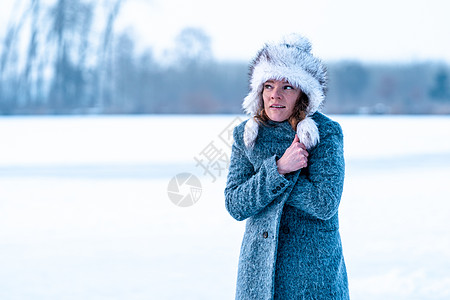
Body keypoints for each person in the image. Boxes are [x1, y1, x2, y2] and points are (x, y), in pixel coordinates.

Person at [224, 34, 349, 299]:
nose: (275, 95)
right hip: (258, 273)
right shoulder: (246, 136)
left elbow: (324, 203)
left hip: (313, 276)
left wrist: (273, 179)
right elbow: (235, 204)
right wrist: (280, 169)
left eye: (287, 87)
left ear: (303, 94)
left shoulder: (325, 134)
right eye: (268, 86)